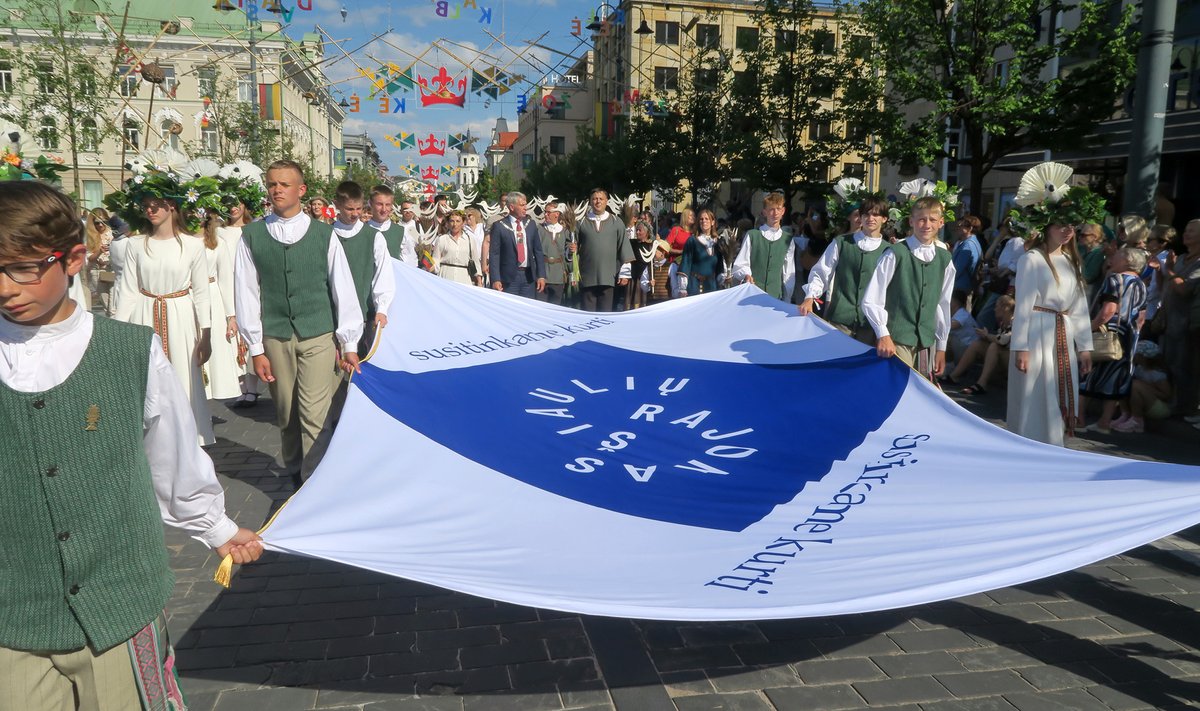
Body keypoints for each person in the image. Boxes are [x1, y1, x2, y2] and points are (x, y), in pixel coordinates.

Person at [0, 180, 264, 711]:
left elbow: (171, 452)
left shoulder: (129, 353)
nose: (6, 286)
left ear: (74, 258)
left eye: (24, 267)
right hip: (13, 612)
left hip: (118, 600)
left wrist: (214, 525)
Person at [234, 160, 364, 489]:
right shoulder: (252, 235)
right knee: (286, 412)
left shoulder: (324, 235)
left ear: (301, 190)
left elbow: (343, 287)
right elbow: (246, 292)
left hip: (318, 333)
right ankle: (294, 472)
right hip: (275, 335)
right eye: (272, 184)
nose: (277, 189)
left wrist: (349, 343)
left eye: (284, 184)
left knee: (314, 414)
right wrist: (256, 348)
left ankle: (315, 484)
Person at [1006, 163, 1102, 446]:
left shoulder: (1072, 261)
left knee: (1057, 389)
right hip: (1036, 333)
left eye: (1072, 226)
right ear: (1047, 227)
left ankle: (1054, 444)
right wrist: (1020, 347)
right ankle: (1028, 444)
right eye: (1062, 225)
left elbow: (1079, 307)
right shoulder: (1032, 260)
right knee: (1035, 394)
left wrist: (1084, 346)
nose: (1068, 231)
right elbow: (1023, 306)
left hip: (1062, 332)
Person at [112, 190, 215, 446]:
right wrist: (117, 332)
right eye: (146, 205)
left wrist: (206, 334)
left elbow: (202, 293)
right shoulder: (136, 244)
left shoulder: (192, 245)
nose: (150, 210)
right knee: (148, 380)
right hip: (145, 314)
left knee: (183, 377)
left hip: (180, 314)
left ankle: (189, 439)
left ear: (171, 206)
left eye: (156, 205)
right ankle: (154, 440)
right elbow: (127, 291)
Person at [862, 196, 956, 381]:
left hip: (926, 341)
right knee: (898, 388)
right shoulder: (896, 253)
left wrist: (941, 346)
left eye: (932, 220)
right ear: (911, 221)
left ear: (941, 223)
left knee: (921, 393)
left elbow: (942, 304)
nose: (926, 225)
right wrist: (883, 333)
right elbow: (872, 298)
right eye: (921, 219)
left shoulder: (945, 259)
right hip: (897, 339)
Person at [798, 194, 889, 345]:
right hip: (840, 318)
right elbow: (822, 272)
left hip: (870, 324)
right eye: (866, 214)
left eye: (876, 214)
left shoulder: (889, 251)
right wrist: (810, 297)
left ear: (884, 219)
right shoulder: (842, 243)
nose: (870, 218)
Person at [1079, 247, 1148, 434]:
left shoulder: (1115, 280)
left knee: (1087, 375)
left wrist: (1088, 328)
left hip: (1107, 334)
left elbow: (1108, 311)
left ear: (1127, 260)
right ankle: (1104, 423)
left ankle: (1079, 420)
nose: (1112, 259)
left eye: (1116, 255)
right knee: (1115, 380)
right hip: (1128, 337)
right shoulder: (1141, 284)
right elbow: (1142, 316)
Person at [331, 181, 393, 356]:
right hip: (332, 315)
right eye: (350, 209)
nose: (355, 214)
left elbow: (383, 272)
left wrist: (381, 308)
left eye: (358, 209)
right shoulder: (326, 234)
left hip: (365, 314)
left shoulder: (373, 236)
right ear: (337, 204)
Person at [219, 186, 265, 409]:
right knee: (231, 337)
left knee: (251, 333)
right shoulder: (219, 232)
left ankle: (252, 388)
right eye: (228, 205)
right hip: (227, 284)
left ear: (245, 205)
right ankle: (240, 386)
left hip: (249, 284)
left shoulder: (253, 230)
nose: (233, 208)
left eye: (237, 203)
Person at [197, 213, 241, 402]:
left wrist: (231, 315)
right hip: (186, 296)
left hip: (211, 295)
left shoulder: (217, 242)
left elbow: (225, 278)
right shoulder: (180, 239)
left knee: (211, 345)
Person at [732, 192, 795, 301]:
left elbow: (788, 272)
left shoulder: (788, 239)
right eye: (771, 209)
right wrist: (746, 275)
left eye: (778, 209)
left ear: (783, 211)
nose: (775, 213)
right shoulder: (752, 235)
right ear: (764, 212)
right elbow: (740, 264)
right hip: (752, 295)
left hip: (775, 296)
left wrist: (787, 299)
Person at [576, 188, 632, 311]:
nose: (598, 202)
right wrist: (571, 250)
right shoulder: (581, 222)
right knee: (587, 316)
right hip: (587, 277)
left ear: (606, 201)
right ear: (590, 202)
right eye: (594, 199)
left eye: (601, 199)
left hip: (608, 277)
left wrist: (625, 273)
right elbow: (572, 248)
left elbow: (624, 247)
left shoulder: (616, 222)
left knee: (605, 315)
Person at [950, 295, 1016, 395]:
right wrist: (985, 336)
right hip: (1005, 358)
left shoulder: (1014, 321)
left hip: (1013, 362)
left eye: (997, 306)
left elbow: (1003, 340)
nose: (994, 309)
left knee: (994, 347)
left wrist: (987, 335)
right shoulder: (1003, 322)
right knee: (978, 344)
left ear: (1005, 307)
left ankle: (982, 384)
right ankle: (954, 376)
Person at [488, 191, 546, 299]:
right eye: (522, 205)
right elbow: (494, 254)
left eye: (526, 204)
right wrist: (495, 279)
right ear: (512, 207)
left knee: (528, 310)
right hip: (508, 278)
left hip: (528, 277)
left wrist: (541, 275)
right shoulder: (499, 226)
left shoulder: (531, 224)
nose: (525, 208)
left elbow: (538, 251)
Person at [1112, 340, 1173, 433]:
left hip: (1159, 408)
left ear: (1143, 357)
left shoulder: (1157, 374)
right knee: (1124, 381)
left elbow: (1166, 395)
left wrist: (1145, 387)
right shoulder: (1139, 369)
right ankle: (1125, 414)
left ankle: (1137, 421)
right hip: (1144, 404)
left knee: (1135, 385)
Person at [677, 208, 724, 297]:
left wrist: (723, 279)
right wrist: (682, 288)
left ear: (712, 222)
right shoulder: (692, 240)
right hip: (694, 285)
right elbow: (686, 263)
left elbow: (720, 266)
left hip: (711, 286)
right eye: (701, 219)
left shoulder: (717, 243)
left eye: (707, 219)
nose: (704, 221)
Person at [433, 209, 482, 287]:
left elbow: (476, 261)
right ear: (448, 223)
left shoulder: (470, 240)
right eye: (452, 221)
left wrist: (479, 281)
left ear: (463, 223)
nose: (454, 224)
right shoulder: (441, 239)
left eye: (458, 221)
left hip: (464, 278)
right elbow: (435, 260)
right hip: (445, 276)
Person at [538, 201, 571, 304]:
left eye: (548, 212)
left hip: (558, 276)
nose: (545, 214)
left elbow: (568, 255)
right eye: (545, 212)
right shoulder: (539, 229)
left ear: (557, 214)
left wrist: (572, 250)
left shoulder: (565, 232)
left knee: (556, 306)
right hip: (542, 274)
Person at [950, 214, 983, 307]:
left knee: (959, 315)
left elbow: (957, 269)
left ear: (970, 228)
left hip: (961, 289)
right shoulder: (971, 242)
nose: (957, 228)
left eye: (960, 225)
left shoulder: (968, 245)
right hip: (965, 287)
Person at [366, 184, 404, 261]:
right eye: (379, 204)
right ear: (370, 203)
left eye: (387, 205)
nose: (384, 209)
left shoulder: (401, 232)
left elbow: (408, 264)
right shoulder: (361, 230)